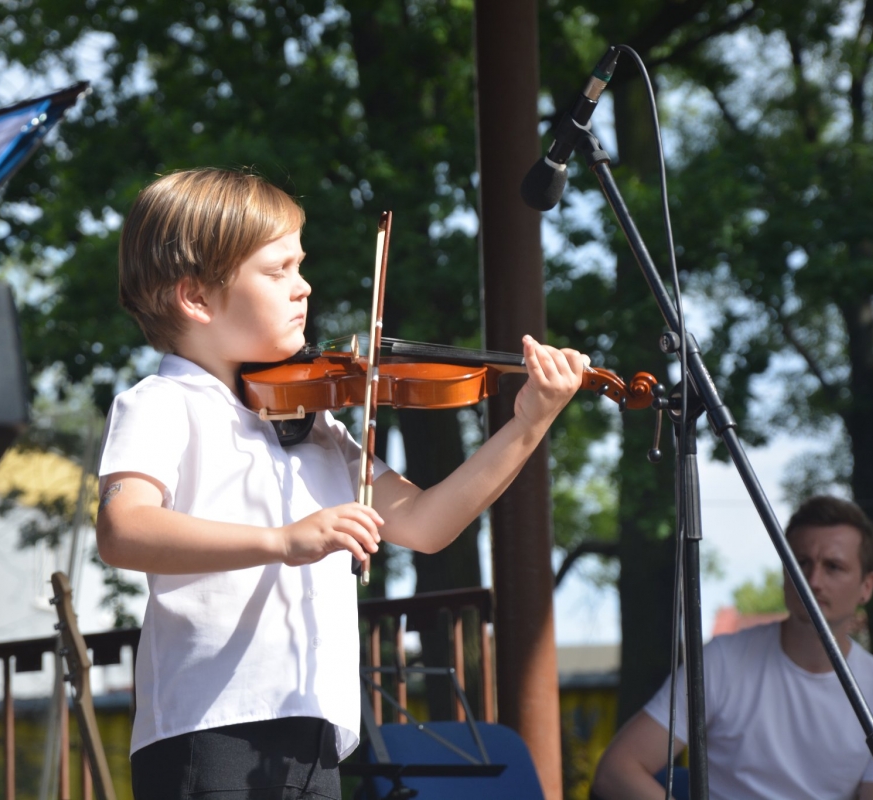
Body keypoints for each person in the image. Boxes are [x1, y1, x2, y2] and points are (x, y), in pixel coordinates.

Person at [95, 168, 589, 800]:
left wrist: (528, 424)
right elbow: (124, 528)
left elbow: (427, 524)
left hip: (314, 735)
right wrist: (284, 540)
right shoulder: (162, 403)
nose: (304, 288)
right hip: (211, 730)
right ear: (196, 298)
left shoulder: (312, 421)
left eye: (301, 267)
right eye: (278, 271)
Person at [591, 496, 873, 800]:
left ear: (867, 586)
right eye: (800, 562)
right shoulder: (721, 661)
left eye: (833, 567)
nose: (813, 580)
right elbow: (617, 770)